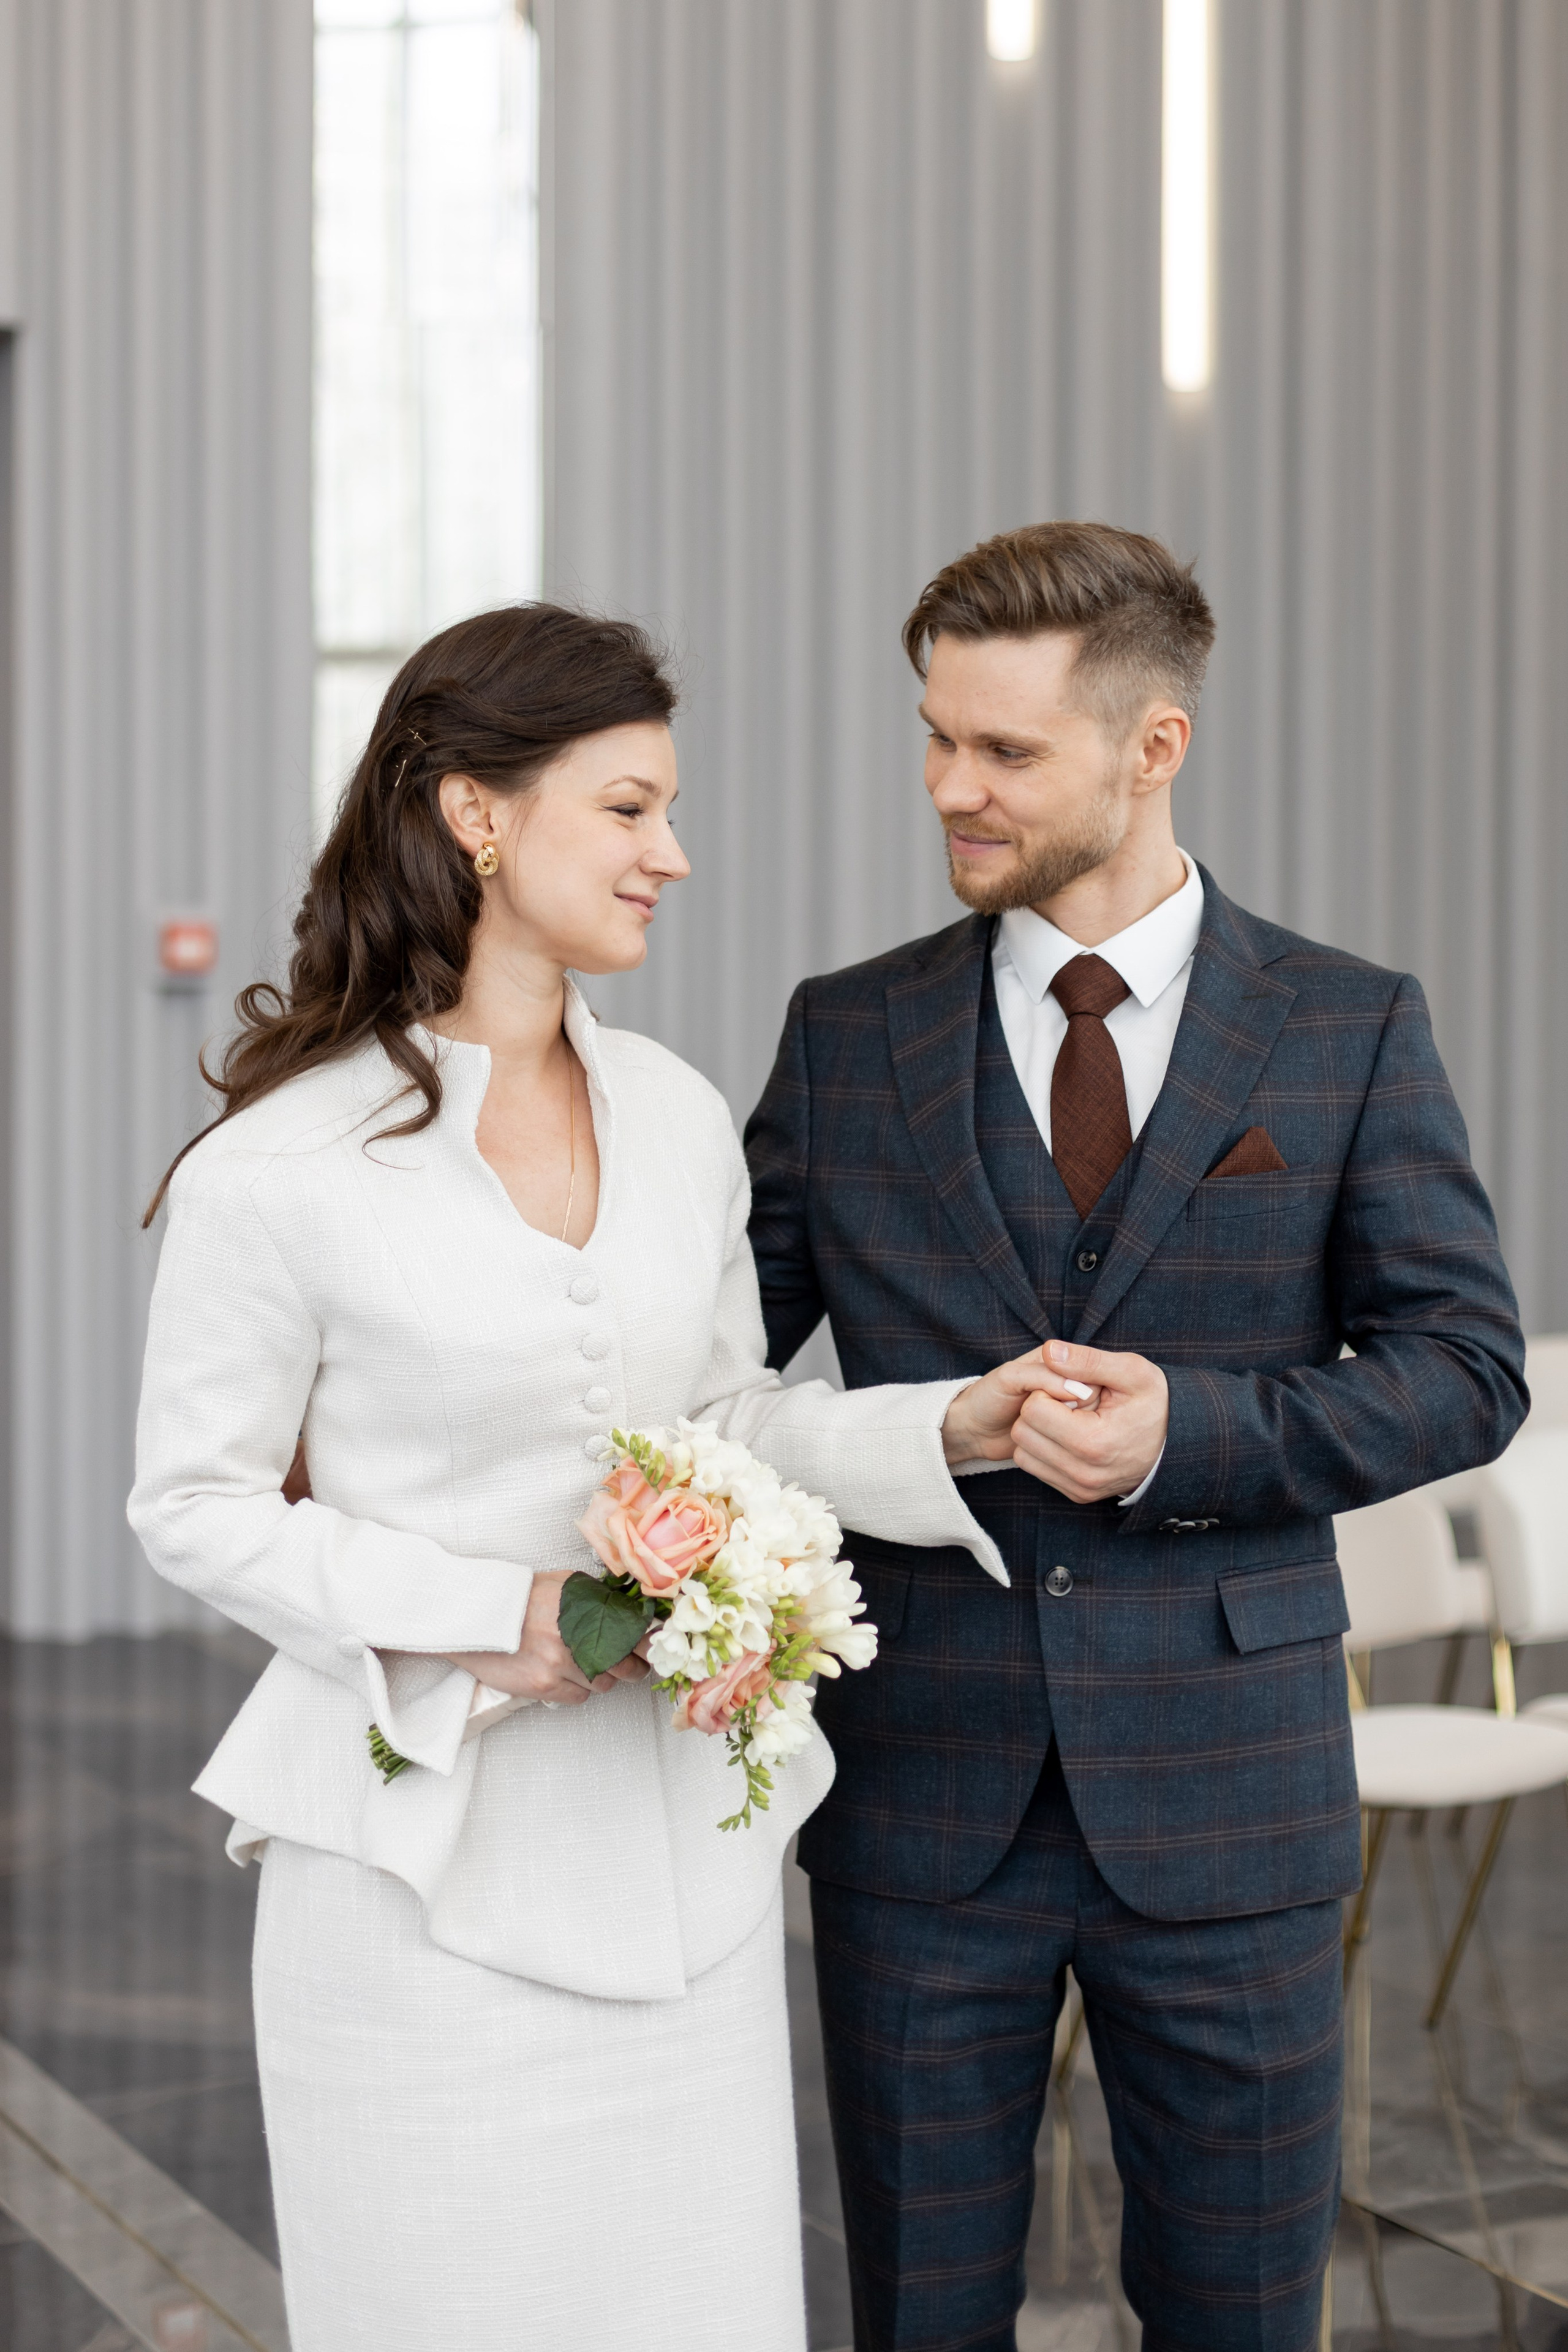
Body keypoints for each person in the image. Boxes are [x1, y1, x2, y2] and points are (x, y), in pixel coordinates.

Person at [127, 603, 1050, 2352]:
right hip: (417, 1887)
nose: (672, 854)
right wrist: (498, 1619)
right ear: (478, 812)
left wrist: (950, 1429)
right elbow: (195, 1506)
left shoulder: (687, 1116)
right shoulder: (282, 1166)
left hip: (683, 1883)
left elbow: (725, 1420)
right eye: (629, 808)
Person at [745, 522, 1529, 2352]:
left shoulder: (1346, 1029)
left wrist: (1207, 1433)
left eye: (1002, 750)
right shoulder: (849, 1037)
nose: (951, 786)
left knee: (1242, 2317)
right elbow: (717, 1381)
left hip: (1235, 1799)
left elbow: (1464, 1367)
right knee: (921, 2314)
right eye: (935, 736)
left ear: (1151, 746)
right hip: (923, 1797)